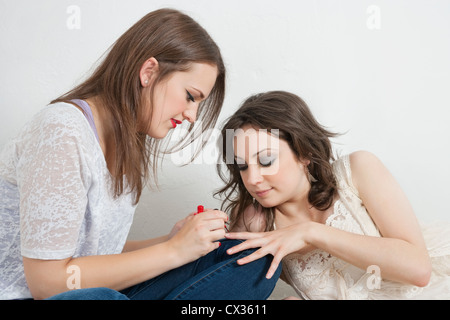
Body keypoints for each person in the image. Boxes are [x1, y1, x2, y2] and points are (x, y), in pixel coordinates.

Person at [0, 9, 281, 300]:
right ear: (149, 72)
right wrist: (173, 251)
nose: (192, 115)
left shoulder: (127, 143)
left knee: (255, 259)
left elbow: (96, 253)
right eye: (190, 96)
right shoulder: (62, 130)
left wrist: (174, 241)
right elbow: (47, 284)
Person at [215, 90, 450, 299]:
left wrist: (311, 232)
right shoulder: (256, 221)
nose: (252, 179)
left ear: (304, 153)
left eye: (266, 160)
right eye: (242, 166)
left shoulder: (356, 171)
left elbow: (418, 270)